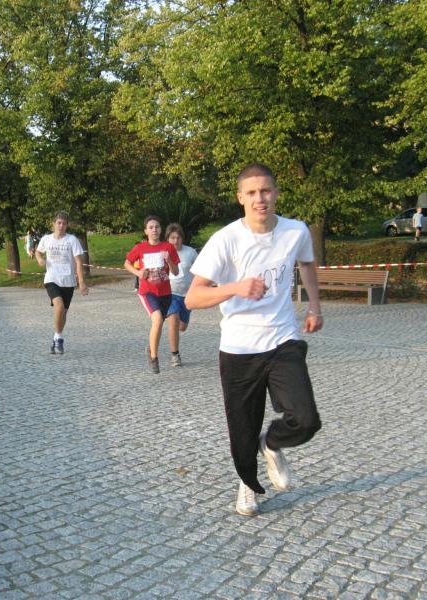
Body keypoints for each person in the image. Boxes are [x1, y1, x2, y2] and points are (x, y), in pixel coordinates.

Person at [185, 163, 323, 517]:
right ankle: (247, 484)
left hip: (282, 339)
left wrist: (314, 306)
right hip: (239, 347)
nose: (259, 198)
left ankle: (272, 442)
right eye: (251, 192)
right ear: (240, 198)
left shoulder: (295, 231)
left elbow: (307, 264)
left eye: (265, 191)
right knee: (242, 429)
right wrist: (235, 287)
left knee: (306, 418)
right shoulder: (226, 239)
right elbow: (192, 298)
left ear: (276, 193)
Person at [124, 215, 180, 374]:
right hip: (147, 292)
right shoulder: (140, 248)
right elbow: (127, 263)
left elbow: (176, 272)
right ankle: (154, 357)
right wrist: (138, 273)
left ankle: (151, 348)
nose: (154, 230)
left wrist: (169, 261)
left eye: (157, 227)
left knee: (159, 324)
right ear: (146, 231)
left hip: (165, 293)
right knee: (157, 319)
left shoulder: (168, 247)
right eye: (151, 227)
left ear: (161, 230)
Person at [35, 211, 88, 354]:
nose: (61, 225)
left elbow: (78, 261)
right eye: (59, 223)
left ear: (67, 225)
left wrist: (81, 281)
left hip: (68, 281)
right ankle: (59, 337)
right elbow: (38, 252)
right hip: (52, 279)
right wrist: (39, 259)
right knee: (59, 306)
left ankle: (56, 336)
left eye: (64, 223)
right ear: (53, 224)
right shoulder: (46, 239)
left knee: (63, 313)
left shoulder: (72, 240)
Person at [164, 223, 198, 367]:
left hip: (187, 294)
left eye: (178, 238)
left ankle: (175, 333)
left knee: (182, 326)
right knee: (174, 319)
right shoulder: (163, 253)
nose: (175, 241)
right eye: (172, 238)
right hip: (170, 293)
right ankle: (175, 355)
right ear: (168, 238)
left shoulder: (190, 252)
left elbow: (200, 270)